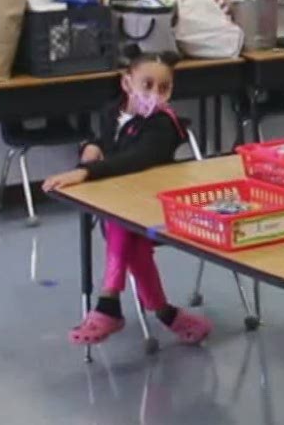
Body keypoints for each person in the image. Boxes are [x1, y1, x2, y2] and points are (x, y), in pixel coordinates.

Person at [45, 49, 211, 348]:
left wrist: (86, 172)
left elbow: (138, 158)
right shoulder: (113, 112)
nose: (155, 94)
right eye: (147, 85)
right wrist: (92, 147)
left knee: (120, 220)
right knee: (122, 224)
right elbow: (109, 142)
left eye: (164, 88)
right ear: (127, 83)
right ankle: (164, 313)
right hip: (127, 207)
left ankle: (109, 302)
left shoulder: (164, 123)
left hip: (161, 210)